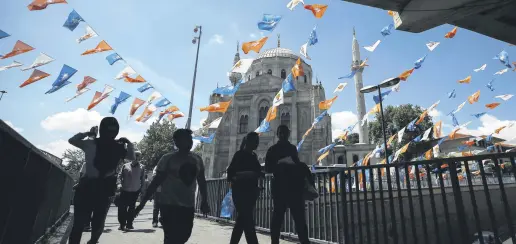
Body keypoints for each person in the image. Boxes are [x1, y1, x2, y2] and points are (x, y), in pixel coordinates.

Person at [134, 129, 210, 244]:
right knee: (171, 238)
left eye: (190, 140)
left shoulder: (197, 159)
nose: (190, 142)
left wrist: (204, 201)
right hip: (169, 206)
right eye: (186, 139)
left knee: (185, 235)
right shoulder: (167, 159)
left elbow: (202, 181)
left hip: (188, 206)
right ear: (177, 142)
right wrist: (141, 204)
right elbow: (155, 183)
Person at [68, 117, 135, 244]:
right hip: (105, 188)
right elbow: (132, 157)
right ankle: (93, 241)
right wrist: (129, 143)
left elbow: (72, 140)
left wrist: (88, 134)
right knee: (99, 221)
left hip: (86, 187)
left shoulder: (90, 143)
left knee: (78, 223)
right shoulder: (119, 147)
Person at [265, 125, 311, 244]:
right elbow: (268, 168)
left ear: (288, 134)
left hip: (290, 187)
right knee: (282, 218)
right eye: (281, 132)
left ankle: (304, 241)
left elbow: (296, 164)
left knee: (295, 218)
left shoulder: (290, 148)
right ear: (278, 134)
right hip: (285, 187)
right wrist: (281, 163)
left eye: (284, 132)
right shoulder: (273, 149)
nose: (283, 135)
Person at [227, 132, 263, 244]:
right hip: (240, 192)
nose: (257, 144)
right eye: (255, 141)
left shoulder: (254, 156)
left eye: (258, 141)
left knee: (243, 220)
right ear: (248, 141)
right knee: (247, 220)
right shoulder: (239, 155)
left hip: (251, 193)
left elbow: (258, 172)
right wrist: (248, 174)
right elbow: (230, 174)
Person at [117, 151, 145, 231]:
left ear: (139, 157)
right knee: (122, 208)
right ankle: (122, 224)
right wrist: (119, 184)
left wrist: (143, 190)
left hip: (135, 191)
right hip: (125, 190)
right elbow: (119, 176)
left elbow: (142, 179)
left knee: (131, 208)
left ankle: (129, 224)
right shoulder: (125, 166)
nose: (136, 157)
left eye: (138, 156)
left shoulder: (142, 167)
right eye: (135, 155)